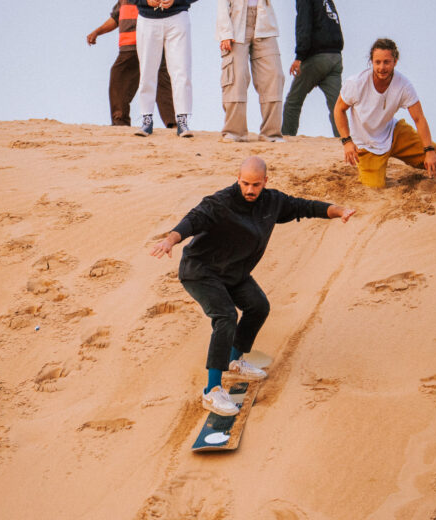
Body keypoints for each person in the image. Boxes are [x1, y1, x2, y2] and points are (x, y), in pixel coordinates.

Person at [150, 156, 356, 415]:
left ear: (265, 182)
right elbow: (193, 219)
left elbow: (304, 206)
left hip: (233, 272)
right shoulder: (221, 203)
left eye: (256, 185)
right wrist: (171, 240)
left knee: (258, 306)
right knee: (225, 315)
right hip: (201, 270)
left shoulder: (273, 202)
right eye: (245, 183)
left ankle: (234, 361)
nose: (250, 190)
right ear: (238, 179)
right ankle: (212, 392)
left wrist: (337, 211)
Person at [333, 38, 436, 188]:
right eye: (377, 62)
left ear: (395, 62)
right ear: (371, 61)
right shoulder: (356, 83)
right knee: (375, 187)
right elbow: (339, 109)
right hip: (366, 144)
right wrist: (347, 141)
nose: (381, 67)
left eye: (387, 62)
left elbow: (419, 118)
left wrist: (429, 151)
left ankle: (414, 154)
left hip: (393, 133)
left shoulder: (404, 85)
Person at [87, 0, 176, 128]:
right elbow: (115, 19)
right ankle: (120, 123)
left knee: (161, 82)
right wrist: (97, 31)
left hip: (151, 43)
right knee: (118, 79)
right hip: (128, 47)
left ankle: (173, 122)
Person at [216, 0, 285, 142]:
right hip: (236, 21)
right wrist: (225, 32)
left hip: (264, 20)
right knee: (236, 76)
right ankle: (235, 132)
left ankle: (271, 133)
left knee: (274, 75)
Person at [281, 0, 344, 137]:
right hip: (335, 57)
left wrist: (300, 56)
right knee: (337, 106)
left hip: (317, 57)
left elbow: (304, 24)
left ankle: (286, 138)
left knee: (293, 102)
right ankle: (343, 140)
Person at [134, 0, 197, 138]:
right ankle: (147, 119)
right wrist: (146, 1)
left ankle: (182, 120)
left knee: (181, 70)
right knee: (146, 71)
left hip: (178, 17)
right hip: (147, 18)